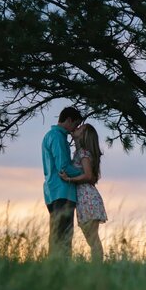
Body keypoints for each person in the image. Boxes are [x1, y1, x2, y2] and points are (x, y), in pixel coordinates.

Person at [60, 123, 107, 261]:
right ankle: (97, 269)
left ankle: (98, 269)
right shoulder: (81, 152)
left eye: (81, 128)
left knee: (92, 240)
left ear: (84, 135)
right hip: (86, 199)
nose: (77, 127)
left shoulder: (83, 153)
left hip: (87, 199)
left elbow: (87, 175)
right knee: (92, 239)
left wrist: (69, 179)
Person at [41, 106, 84, 258]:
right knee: (64, 235)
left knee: (56, 234)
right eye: (76, 124)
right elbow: (63, 167)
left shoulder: (50, 135)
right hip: (63, 191)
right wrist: (85, 173)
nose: (76, 128)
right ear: (69, 120)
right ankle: (61, 269)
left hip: (51, 191)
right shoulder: (58, 137)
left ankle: (54, 269)